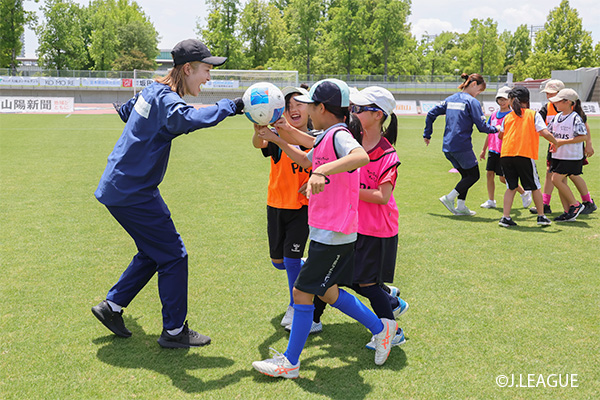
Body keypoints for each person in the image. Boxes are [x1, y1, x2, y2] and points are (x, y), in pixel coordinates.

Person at [91, 39, 244, 348]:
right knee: (174, 255)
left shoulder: (152, 90)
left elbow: (128, 110)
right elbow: (185, 119)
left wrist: (127, 112)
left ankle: (112, 306)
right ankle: (174, 332)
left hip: (122, 187)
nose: (208, 77)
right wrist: (232, 106)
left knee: (153, 251)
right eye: (205, 70)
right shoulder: (165, 99)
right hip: (134, 193)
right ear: (187, 69)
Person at [252, 79, 397, 379]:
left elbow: (360, 157)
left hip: (334, 232)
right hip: (326, 230)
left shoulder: (340, 134)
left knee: (301, 292)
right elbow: (306, 159)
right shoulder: (326, 135)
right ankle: (382, 329)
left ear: (321, 108)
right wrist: (279, 140)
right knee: (328, 292)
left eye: (308, 104)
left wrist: (320, 171)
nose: (304, 109)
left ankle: (290, 362)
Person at [251, 86, 312, 328]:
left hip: (303, 208)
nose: (294, 109)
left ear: (311, 108)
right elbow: (258, 144)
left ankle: (295, 305)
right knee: (279, 262)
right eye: (288, 106)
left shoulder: (317, 137)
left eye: (299, 104)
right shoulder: (279, 136)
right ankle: (308, 267)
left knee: (291, 258)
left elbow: (324, 165)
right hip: (276, 204)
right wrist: (259, 131)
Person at [423, 73, 499, 216]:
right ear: (473, 84)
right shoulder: (472, 102)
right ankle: (449, 198)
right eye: (479, 91)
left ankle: (461, 206)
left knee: (466, 175)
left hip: (447, 146)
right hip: (462, 146)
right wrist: (497, 129)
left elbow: (431, 114)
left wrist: (427, 134)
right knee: (474, 175)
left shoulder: (450, 99)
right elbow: (482, 127)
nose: (478, 94)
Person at [530, 79, 596, 215]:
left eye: (552, 93)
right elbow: (541, 127)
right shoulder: (547, 108)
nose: (549, 97)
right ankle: (551, 205)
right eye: (547, 94)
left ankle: (583, 203)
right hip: (556, 148)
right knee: (555, 174)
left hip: (570, 149)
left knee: (571, 175)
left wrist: (588, 144)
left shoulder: (573, 111)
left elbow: (584, 127)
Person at [497, 87, 558, 227]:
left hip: (506, 154)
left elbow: (501, 135)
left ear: (511, 101)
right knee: (535, 186)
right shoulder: (533, 114)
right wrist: (556, 143)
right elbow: (544, 132)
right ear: (527, 100)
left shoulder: (508, 117)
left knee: (511, 187)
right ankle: (541, 216)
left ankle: (505, 217)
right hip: (524, 154)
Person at [479, 86, 531, 209]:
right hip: (493, 149)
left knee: (503, 178)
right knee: (489, 174)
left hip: (505, 150)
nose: (501, 102)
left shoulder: (512, 115)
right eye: (499, 99)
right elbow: (490, 133)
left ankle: (524, 193)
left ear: (510, 100)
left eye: (504, 99)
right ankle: (491, 200)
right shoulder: (493, 115)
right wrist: (483, 149)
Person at [547, 88, 588, 221]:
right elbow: (551, 133)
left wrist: (563, 142)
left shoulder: (575, 117)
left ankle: (575, 205)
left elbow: (583, 137)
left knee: (556, 180)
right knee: (561, 183)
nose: (555, 104)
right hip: (558, 156)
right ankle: (567, 212)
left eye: (558, 101)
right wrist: (554, 143)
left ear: (568, 102)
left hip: (571, 157)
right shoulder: (557, 117)